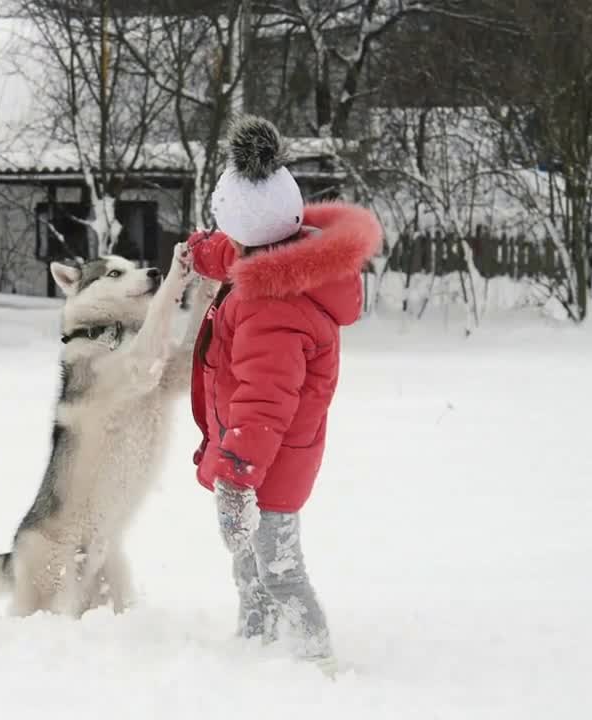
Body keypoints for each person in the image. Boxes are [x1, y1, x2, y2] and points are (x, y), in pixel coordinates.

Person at [185, 115, 383, 675]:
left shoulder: (273, 306)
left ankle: (313, 661)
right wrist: (200, 252)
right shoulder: (284, 259)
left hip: (269, 462)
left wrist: (236, 479)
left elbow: (264, 402)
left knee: (277, 565)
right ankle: (256, 643)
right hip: (259, 455)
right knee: (248, 562)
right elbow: (237, 254)